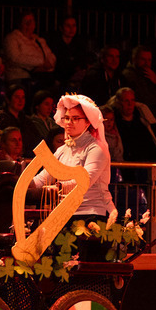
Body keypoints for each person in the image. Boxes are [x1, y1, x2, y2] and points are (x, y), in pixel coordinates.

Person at [31, 94, 115, 223]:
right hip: (64, 212)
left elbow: (84, 180)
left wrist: (58, 187)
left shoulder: (97, 148)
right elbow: (42, 179)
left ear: (88, 122)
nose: (69, 123)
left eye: (75, 118)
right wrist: (23, 183)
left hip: (91, 213)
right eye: (67, 118)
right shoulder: (62, 150)